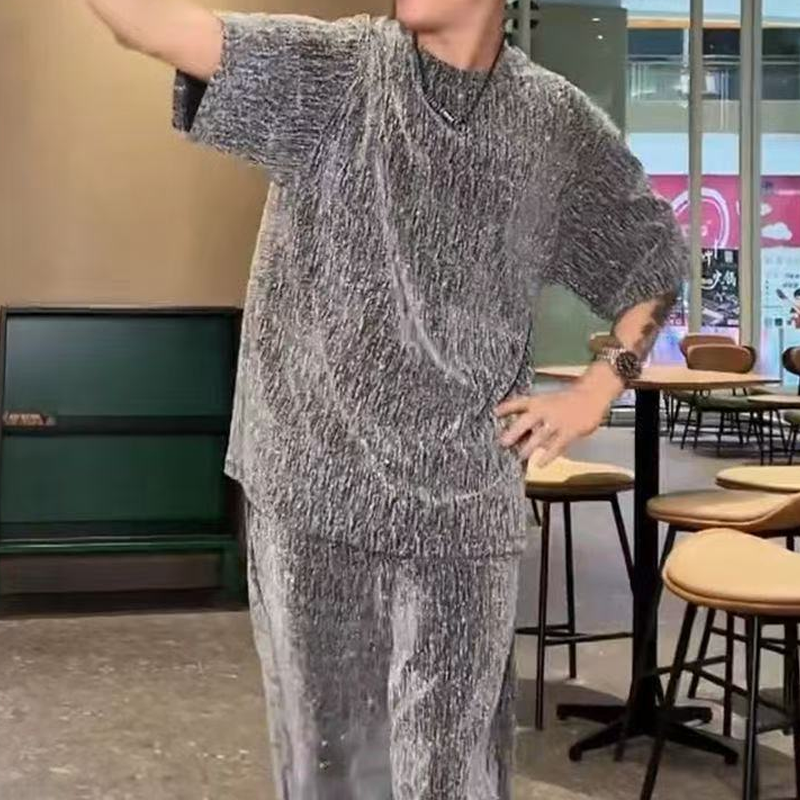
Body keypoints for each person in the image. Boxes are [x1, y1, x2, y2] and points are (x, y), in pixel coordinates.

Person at [85, 1, 688, 797]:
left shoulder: (553, 124)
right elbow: (149, 24)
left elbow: (653, 259)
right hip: (316, 491)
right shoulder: (336, 72)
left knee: (455, 773)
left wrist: (596, 390)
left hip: (464, 505)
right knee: (332, 768)